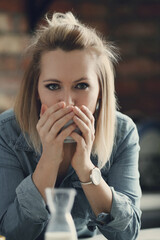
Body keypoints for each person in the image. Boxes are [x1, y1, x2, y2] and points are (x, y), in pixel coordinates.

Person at [0, 12, 141, 240]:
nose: (67, 102)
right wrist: (49, 160)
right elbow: (13, 232)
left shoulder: (123, 133)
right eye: (53, 86)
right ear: (36, 91)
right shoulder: (6, 132)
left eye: (82, 85)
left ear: (100, 92)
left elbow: (127, 234)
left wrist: (85, 168)